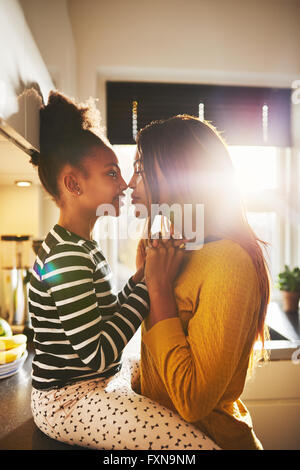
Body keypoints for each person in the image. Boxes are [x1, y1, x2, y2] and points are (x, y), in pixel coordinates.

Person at [28, 91, 219, 450]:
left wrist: (138, 278)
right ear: (74, 184)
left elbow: (102, 318)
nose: (124, 185)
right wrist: (151, 284)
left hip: (95, 383)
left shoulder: (81, 246)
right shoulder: (66, 256)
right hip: (67, 401)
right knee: (193, 446)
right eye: (112, 173)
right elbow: (99, 352)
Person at [128, 115, 271, 450]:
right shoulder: (161, 247)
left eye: (141, 168)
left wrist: (160, 290)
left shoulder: (229, 262)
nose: (129, 182)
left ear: (182, 173)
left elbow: (192, 402)